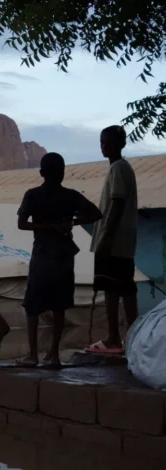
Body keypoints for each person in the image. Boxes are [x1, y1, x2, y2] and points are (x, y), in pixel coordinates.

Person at [17, 152, 102, 368]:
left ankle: (33, 355)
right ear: (63, 173)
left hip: (43, 253)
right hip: (63, 254)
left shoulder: (33, 195)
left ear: (42, 173)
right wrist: (71, 222)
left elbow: (22, 224)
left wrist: (46, 226)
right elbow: (95, 214)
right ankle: (53, 355)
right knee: (59, 305)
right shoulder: (71, 196)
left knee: (33, 305)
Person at [86, 125, 139, 354]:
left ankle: (113, 338)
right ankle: (135, 337)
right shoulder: (121, 168)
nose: (103, 146)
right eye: (101, 141)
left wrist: (106, 237)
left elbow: (116, 204)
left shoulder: (118, 168)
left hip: (113, 242)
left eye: (107, 142)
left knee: (111, 288)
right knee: (126, 288)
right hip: (122, 243)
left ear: (121, 144)